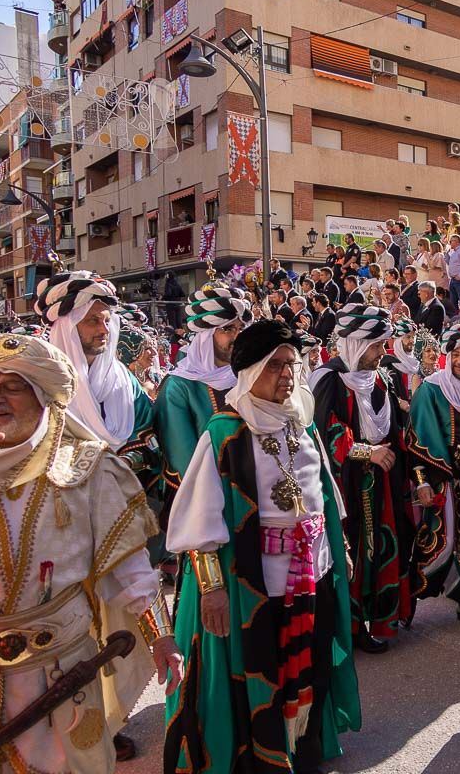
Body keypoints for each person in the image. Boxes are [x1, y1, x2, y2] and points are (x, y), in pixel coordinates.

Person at [0, 335, 181, 773]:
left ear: (44, 398)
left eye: (13, 386)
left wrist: (161, 637)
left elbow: (129, 566)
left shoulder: (88, 468)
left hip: (60, 677)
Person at [164, 321, 361, 773]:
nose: (287, 375)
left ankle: (302, 747)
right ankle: (265, 756)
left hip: (312, 575)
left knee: (310, 664)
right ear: (250, 372)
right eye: (275, 365)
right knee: (264, 673)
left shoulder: (303, 425)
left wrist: (339, 548)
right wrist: (211, 587)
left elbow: (325, 498)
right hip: (255, 587)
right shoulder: (225, 432)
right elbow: (198, 521)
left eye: (291, 364)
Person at [309, 305, 413, 652]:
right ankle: (349, 628)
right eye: (376, 346)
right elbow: (324, 434)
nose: (382, 353)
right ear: (355, 344)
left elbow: (395, 431)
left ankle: (378, 618)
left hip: (381, 484)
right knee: (353, 554)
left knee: (380, 553)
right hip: (347, 488)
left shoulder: (380, 378)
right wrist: (367, 453)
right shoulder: (328, 380)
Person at [408, 326, 460, 624]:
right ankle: (406, 605)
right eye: (454, 354)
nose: (459, 361)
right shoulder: (431, 390)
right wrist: (422, 483)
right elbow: (416, 439)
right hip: (445, 481)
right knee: (446, 543)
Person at [156, 282, 250, 537]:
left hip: (254, 498)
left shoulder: (247, 378)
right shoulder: (179, 386)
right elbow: (186, 460)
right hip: (205, 508)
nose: (237, 336)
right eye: (228, 329)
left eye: (240, 328)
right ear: (206, 335)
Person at [34, 270, 157, 462]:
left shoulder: (122, 378)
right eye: (94, 321)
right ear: (68, 327)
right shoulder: (41, 383)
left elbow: (147, 429)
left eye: (107, 321)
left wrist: (126, 462)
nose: (105, 330)